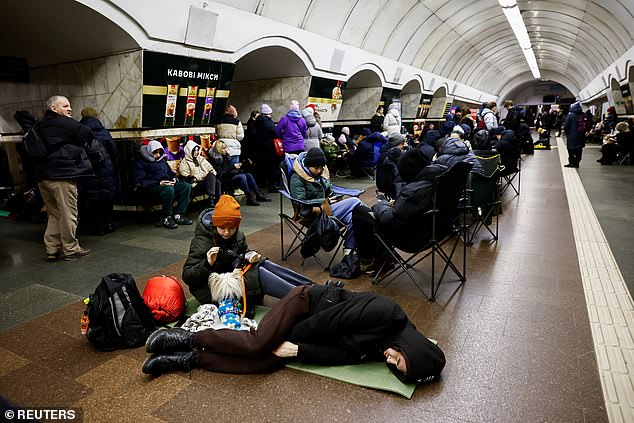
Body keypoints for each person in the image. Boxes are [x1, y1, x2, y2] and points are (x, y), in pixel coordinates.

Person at [142, 284, 446, 385]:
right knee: (260, 344)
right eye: (400, 360)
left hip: (310, 331)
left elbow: (341, 355)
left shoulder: (384, 346)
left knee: (266, 362)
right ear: (412, 348)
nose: (391, 361)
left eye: (395, 368)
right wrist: (291, 341)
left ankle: (188, 360)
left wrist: (297, 352)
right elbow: (328, 322)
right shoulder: (387, 312)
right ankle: (186, 337)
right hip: (305, 306)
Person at [182, 194, 316, 304]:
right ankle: (306, 299)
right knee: (258, 274)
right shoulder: (202, 241)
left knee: (263, 263)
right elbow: (187, 277)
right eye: (222, 228)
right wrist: (207, 264)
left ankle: (313, 288)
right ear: (215, 225)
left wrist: (250, 254)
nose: (227, 232)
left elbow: (242, 252)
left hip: (232, 273)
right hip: (211, 288)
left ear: (237, 226)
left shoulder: (238, 235)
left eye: (232, 228)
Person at [352, 149, 448, 272]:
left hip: (411, 237)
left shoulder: (414, 190)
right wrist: (398, 204)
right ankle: (382, 257)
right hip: (436, 230)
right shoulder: (437, 177)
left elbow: (389, 218)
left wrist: (382, 204)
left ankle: (368, 260)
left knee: (360, 212)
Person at [36, 95, 94, 261]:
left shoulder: (40, 124)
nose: (69, 109)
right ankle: (71, 249)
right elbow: (87, 133)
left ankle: (52, 249)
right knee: (69, 213)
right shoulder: (63, 123)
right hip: (61, 176)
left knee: (54, 214)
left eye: (69, 105)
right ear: (53, 108)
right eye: (65, 106)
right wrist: (74, 142)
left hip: (42, 177)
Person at [289, 148, 363, 253]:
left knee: (354, 219)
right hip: (312, 214)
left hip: (327, 210)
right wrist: (324, 201)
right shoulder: (297, 178)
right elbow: (300, 202)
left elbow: (330, 192)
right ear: (307, 165)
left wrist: (337, 197)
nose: (319, 171)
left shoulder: (320, 175)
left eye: (321, 168)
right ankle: (375, 219)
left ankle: (348, 250)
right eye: (316, 168)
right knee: (355, 201)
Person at [134, 140, 193, 229]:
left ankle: (178, 215)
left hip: (167, 184)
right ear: (150, 151)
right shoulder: (141, 162)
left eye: (159, 153)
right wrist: (158, 183)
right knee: (168, 189)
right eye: (155, 153)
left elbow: (170, 173)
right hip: (152, 188)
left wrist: (174, 179)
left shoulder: (162, 160)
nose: (157, 155)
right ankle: (167, 217)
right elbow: (140, 182)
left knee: (186, 186)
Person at [78, 107, 117, 235]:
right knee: (107, 197)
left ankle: (98, 227)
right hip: (106, 168)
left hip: (88, 170)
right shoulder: (103, 131)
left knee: (93, 198)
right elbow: (113, 150)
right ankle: (109, 224)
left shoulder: (79, 131)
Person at [208, 140, 271, 206]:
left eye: (225, 148)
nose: (225, 150)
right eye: (223, 148)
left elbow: (229, 169)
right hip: (222, 180)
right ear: (219, 149)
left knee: (248, 175)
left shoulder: (226, 156)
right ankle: (249, 197)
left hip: (229, 176)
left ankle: (258, 194)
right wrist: (233, 166)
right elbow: (221, 173)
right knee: (242, 176)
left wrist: (237, 168)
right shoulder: (215, 159)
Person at [179, 140, 221, 207]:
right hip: (195, 185)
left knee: (216, 180)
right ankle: (213, 201)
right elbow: (188, 179)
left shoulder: (201, 159)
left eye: (197, 150)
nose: (196, 152)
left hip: (206, 182)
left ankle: (213, 200)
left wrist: (207, 174)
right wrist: (203, 175)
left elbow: (211, 169)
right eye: (194, 151)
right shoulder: (184, 163)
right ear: (189, 151)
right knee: (215, 181)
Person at [253, 104, 279, 191]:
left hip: (259, 146)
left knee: (262, 166)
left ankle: (262, 183)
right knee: (271, 167)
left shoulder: (257, 121)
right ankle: (272, 186)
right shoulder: (267, 121)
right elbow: (275, 132)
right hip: (268, 147)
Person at [563, 102, 586, 168]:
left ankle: (571, 163)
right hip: (581, 135)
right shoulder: (582, 115)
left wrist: (567, 133)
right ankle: (577, 163)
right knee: (579, 149)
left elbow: (566, 126)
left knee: (571, 150)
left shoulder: (570, 115)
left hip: (572, 135)